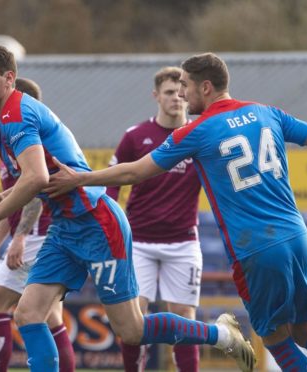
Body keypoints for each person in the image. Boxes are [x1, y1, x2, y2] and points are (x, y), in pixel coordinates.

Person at [46, 52, 307, 372]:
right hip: (297, 237)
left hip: (256, 248)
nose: (182, 94)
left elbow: (134, 171)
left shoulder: (197, 131)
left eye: (185, 85)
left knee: (276, 341)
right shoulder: (267, 113)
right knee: (306, 331)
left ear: (205, 87)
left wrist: (81, 178)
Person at [0, 44, 256, 372]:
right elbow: (43, 181)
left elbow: (37, 177)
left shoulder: (15, 114)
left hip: (96, 222)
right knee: (28, 314)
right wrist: (3, 198)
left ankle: (221, 334)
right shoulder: (7, 117)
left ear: (9, 79)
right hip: (65, 227)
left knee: (132, 330)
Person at [107, 67, 202, 372]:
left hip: (184, 240)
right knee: (134, 320)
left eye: (181, 91)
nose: (177, 97)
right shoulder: (135, 137)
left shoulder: (200, 135)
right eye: (170, 92)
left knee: (185, 320)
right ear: (156, 96)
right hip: (139, 242)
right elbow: (112, 184)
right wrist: (111, 224)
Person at [0, 78, 75, 372]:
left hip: (41, 235)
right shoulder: (3, 130)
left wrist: (19, 238)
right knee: (50, 317)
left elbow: (34, 188)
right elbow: (16, 199)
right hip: (38, 235)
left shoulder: (21, 126)